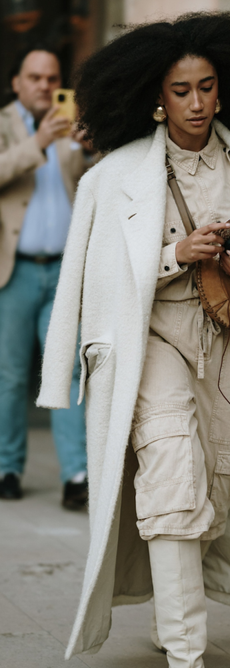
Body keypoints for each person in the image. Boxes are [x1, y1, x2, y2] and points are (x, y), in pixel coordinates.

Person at [36, 11, 230, 668]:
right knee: (173, 484)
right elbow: (96, 281)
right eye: (180, 89)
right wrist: (171, 257)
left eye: (206, 87)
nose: (194, 101)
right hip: (151, 343)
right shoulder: (116, 175)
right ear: (157, 96)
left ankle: (171, 610)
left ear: (224, 90)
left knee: (213, 490)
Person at [0, 46, 90, 509]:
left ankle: (76, 474)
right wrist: (36, 145)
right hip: (13, 271)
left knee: (69, 370)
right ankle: (6, 468)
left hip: (63, 269)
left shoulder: (69, 127)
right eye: (34, 77)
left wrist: (87, 147)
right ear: (17, 82)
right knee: (11, 375)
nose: (43, 85)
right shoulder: (4, 126)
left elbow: (89, 185)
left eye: (51, 77)